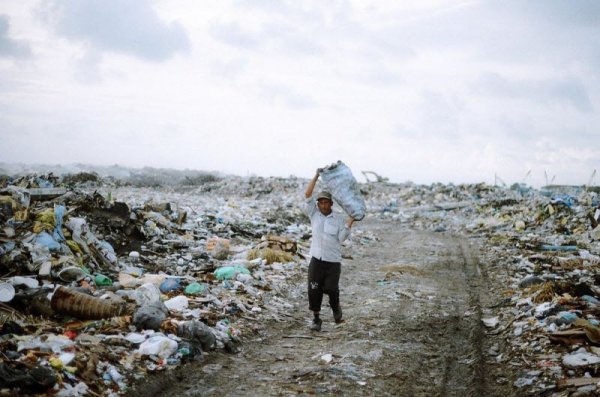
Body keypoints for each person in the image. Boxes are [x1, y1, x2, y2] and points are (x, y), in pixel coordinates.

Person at [304, 169, 356, 331]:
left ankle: (336, 308)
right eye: (321, 202)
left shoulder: (338, 219)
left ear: (331, 204)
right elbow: (307, 195)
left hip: (333, 261)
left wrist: (351, 220)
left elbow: (341, 238)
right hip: (316, 260)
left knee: (331, 289)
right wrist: (316, 176)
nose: (324, 205)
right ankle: (316, 319)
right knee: (314, 289)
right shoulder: (314, 215)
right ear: (318, 205)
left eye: (326, 202)